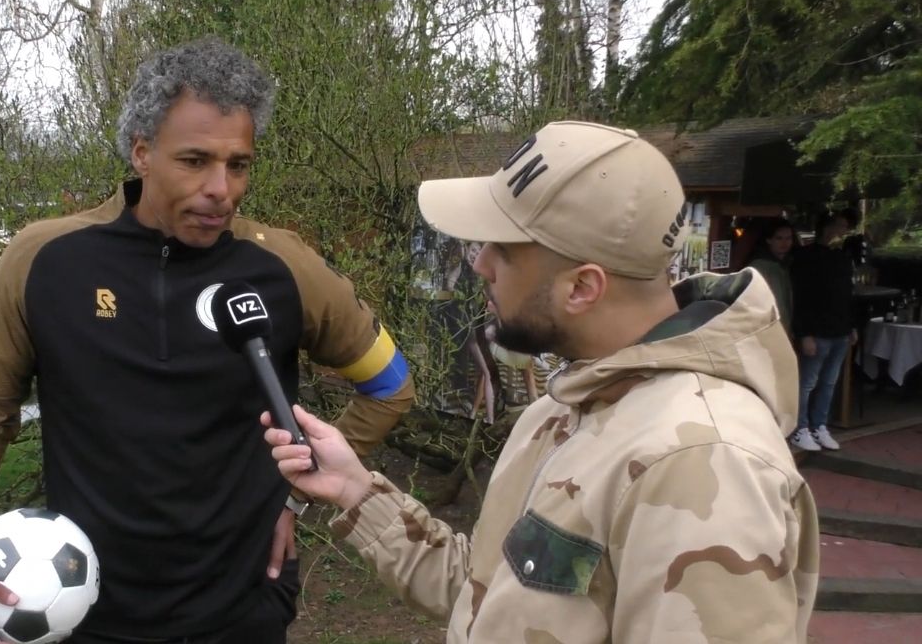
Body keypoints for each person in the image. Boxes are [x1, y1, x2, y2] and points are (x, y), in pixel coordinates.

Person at [0, 38, 415, 644]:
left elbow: (390, 385)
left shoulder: (282, 266)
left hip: (242, 607)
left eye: (238, 165)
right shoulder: (44, 259)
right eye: (195, 161)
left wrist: (294, 498)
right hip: (83, 612)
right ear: (142, 152)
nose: (221, 188)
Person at [263, 121, 819, 643]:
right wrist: (355, 491)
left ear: (581, 288)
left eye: (502, 250)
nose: (480, 264)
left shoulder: (703, 462)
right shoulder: (564, 408)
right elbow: (487, 596)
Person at [789, 211, 856, 452]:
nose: (844, 231)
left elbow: (847, 294)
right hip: (816, 329)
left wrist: (851, 326)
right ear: (827, 229)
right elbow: (802, 297)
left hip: (840, 329)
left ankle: (819, 425)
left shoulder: (842, 258)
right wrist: (804, 333)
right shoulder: (806, 257)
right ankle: (800, 427)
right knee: (808, 382)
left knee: (829, 382)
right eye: (840, 226)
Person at [747, 217, 796, 337]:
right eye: (779, 238)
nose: (784, 243)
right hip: (768, 330)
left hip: (787, 328)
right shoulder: (759, 267)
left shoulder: (790, 264)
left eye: (788, 238)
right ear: (769, 240)